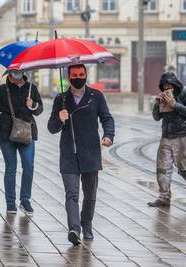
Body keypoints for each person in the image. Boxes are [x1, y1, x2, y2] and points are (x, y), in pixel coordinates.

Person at [47, 64, 115, 245]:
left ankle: (86, 224)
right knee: (72, 193)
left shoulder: (96, 97)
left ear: (86, 75)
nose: (78, 77)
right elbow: (51, 128)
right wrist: (59, 119)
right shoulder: (61, 99)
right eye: (74, 75)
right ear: (68, 78)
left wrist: (108, 135)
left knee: (90, 193)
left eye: (81, 74)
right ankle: (74, 229)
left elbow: (107, 118)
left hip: (90, 152)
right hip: (69, 153)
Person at [0, 70, 43, 215]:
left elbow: (39, 110)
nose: (16, 75)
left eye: (19, 72)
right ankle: (10, 203)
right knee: (11, 168)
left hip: (26, 133)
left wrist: (33, 105)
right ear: (9, 74)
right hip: (6, 134)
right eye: (13, 73)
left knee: (28, 166)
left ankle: (25, 200)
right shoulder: (2, 90)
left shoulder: (31, 88)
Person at [147, 72, 186, 207]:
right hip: (166, 135)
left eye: (169, 85)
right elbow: (156, 117)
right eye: (164, 86)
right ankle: (164, 196)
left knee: (184, 166)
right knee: (162, 166)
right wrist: (157, 104)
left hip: (183, 134)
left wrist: (175, 104)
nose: (167, 88)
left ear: (175, 84)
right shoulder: (163, 96)